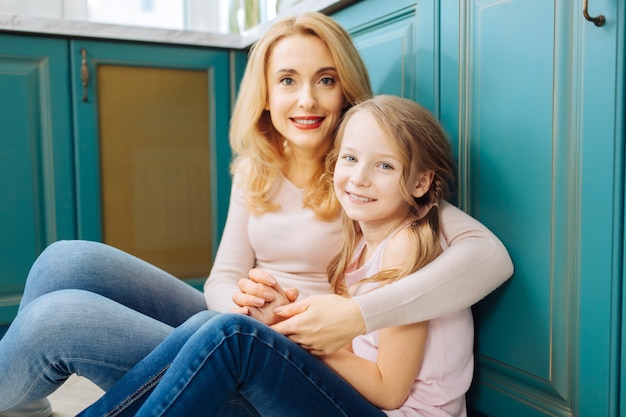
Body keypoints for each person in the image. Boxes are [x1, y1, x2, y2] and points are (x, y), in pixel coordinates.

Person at [0, 12, 512, 417]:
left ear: (347, 91)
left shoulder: (373, 176)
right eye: (287, 80)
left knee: (57, 323)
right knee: (64, 261)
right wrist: (242, 304)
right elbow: (222, 277)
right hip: (257, 327)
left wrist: (350, 317)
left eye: (326, 80)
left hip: (310, 353)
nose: (306, 99)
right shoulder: (258, 168)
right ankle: (21, 399)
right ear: (266, 94)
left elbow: (487, 257)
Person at [80, 94, 475, 416]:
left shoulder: (406, 247)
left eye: (384, 166)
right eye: (350, 159)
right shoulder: (363, 241)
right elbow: (359, 350)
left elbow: (389, 390)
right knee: (215, 325)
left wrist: (295, 338)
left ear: (422, 182)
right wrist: (283, 319)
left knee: (231, 333)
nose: (359, 178)